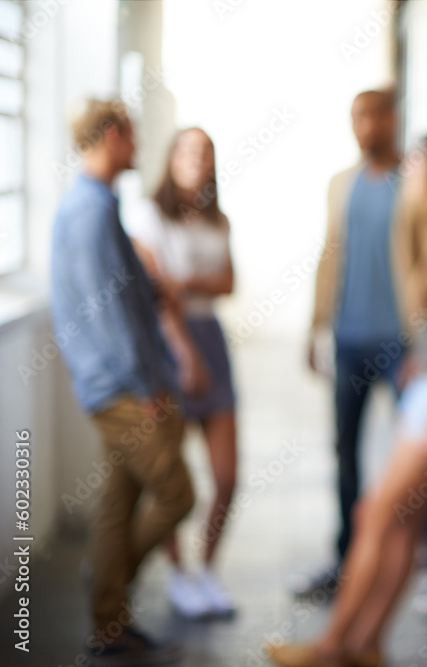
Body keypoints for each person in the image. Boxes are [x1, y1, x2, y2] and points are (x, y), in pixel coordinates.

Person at [268, 129, 427, 667]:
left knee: (375, 515)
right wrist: (425, 362)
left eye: (418, 167)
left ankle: (331, 648)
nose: (409, 178)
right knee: (403, 525)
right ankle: (367, 644)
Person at [50, 98, 205, 665]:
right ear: (112, 135)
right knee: (177, 492)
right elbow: (106, 314)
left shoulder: (98, 204)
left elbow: (127, 292)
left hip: (118, 383)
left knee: (120, 502)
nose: (139, 145)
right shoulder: (89, 212)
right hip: (119, 390)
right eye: (132, 134)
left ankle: (108, 623)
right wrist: (147, 387)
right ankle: (106, 583)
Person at [302, 89, 427, 610]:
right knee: (344, 451)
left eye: (371, 115)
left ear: (391, 119)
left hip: (400, 344)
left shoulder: (412, 182)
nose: (362, 125)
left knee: (420, 450)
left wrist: (426, 341)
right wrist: (315, 326)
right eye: (355, 116)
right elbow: (328, 254)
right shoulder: (340, 184)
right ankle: (346, 559)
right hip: (347, 339)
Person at [125, 127, 238, 619]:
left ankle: (206, 570)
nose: (198, 159)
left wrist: (186, 281)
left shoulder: (218, 219)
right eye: (189, 150)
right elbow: (159, 293)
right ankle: (177, 577)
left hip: (213, 338)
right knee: (171, 472)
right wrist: (186, 353)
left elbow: (229, 281)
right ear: (171, 158)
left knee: (227, 475)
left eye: (206, 151)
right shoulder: (149, 216)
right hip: (173, 345)